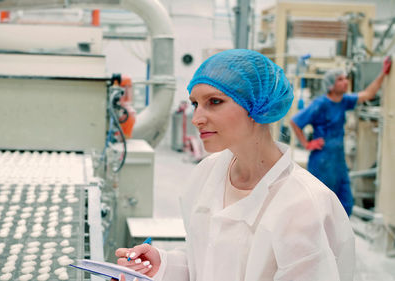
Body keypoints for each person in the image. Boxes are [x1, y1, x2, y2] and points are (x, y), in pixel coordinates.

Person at [113, 49, 355, 281]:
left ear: (258, 106)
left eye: (215, 101)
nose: (197, 118)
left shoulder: (303, 205)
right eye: (195, 103)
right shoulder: (207, 173)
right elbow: (210, 261)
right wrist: (165, 266)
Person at [290, 56, 392, 216]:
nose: (345, 82)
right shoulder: (320, 104)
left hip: (338, 160)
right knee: (320, 205)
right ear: (331, 85)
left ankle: (339, 238)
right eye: (340, 79)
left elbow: (368, 94)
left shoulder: (344, 101)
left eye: (345, 78)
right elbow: (295, 122)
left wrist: (383, 73)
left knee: (345, 204)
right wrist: (306, 144)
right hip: (322, 160)